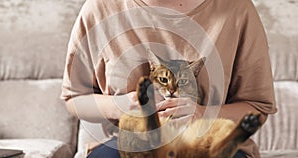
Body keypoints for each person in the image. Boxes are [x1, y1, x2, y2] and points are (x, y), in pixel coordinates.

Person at [61, 0, 277, 157]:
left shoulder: (237, 9)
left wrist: (202, 115)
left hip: (206, 143)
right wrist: (123, 105)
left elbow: (258, 106)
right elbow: (74, 98)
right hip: (130, 145)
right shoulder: (100, 8)